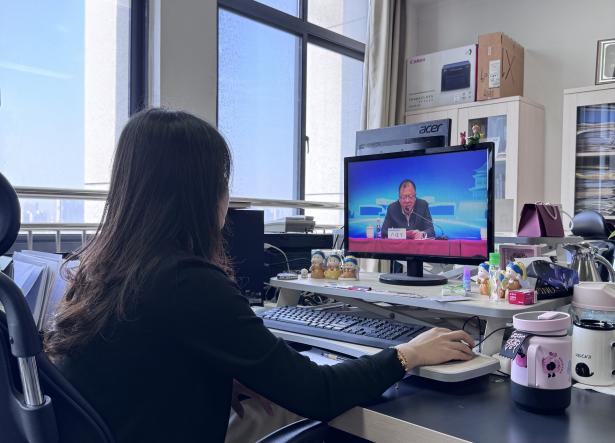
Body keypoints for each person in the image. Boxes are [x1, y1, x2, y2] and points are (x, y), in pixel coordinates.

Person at [44, 109, 475, 443]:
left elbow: (144, 369)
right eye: (222, 181)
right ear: (200, 193)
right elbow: (316, 391)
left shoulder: (104, 271)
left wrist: (220, 377)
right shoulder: (186, 282)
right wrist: (407, 354)